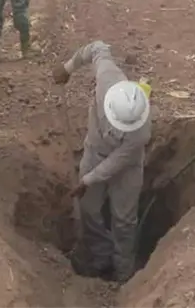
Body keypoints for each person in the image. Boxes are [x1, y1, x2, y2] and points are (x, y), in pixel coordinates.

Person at [52, 40, 152, 283]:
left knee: (124, 220)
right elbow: (97, 47)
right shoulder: (108, 79)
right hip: (95, 152)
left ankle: (123, 271)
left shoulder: (140, 133)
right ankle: (100, 256)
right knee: (88, 209)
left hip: (126, 166)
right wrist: (67, 67)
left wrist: (88, 179)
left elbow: (117, 162)